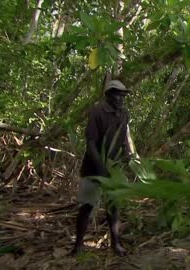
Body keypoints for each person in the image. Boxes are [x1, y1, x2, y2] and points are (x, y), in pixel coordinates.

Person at [72, 80, 136, 256]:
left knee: (113, 206)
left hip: (114, 167)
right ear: (107, 95)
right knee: (87, 205)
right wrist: (100, 168)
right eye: (117, 94)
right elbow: (91, 143)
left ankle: (115, 244)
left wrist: (131, 157)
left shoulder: (124, 113)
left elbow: (124, 138)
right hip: (94, 167)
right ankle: (78, 245)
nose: (121, 98)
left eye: (123, 95)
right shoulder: (97, 111)